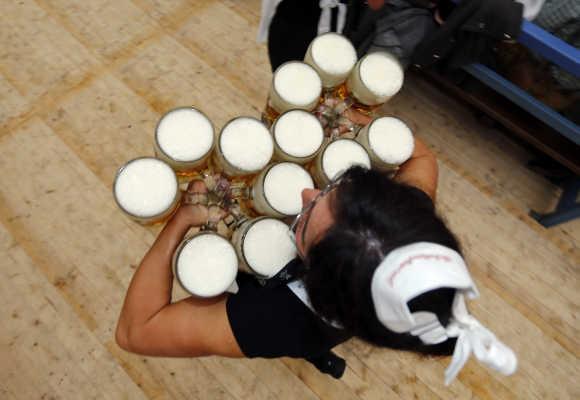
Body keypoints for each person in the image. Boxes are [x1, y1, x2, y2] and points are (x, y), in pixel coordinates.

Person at [115, 116, 517, 385]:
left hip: (302, 327)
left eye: (305, 218)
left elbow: (135, 331)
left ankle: (313, 352)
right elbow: (422, 156)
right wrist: (363, 122)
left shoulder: (276, 319)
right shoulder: (398, 222)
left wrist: (179, 223)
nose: (305, 191)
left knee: (304, 338)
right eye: (329, 190)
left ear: (312, 279)